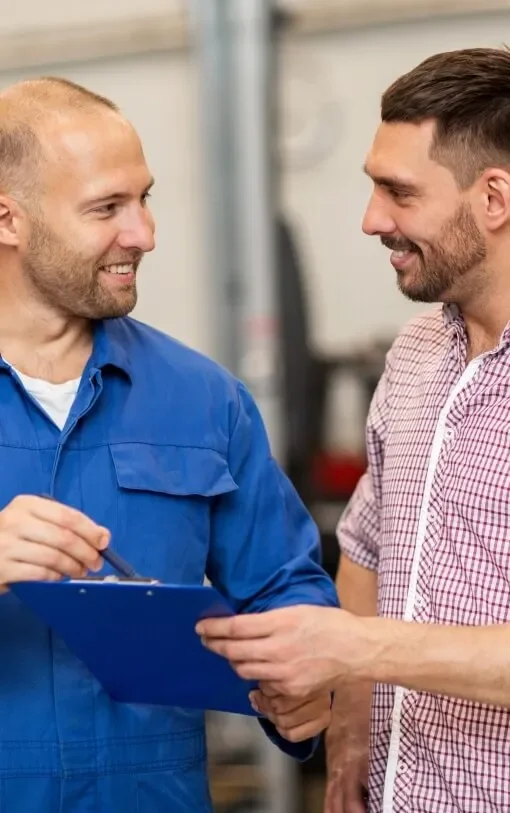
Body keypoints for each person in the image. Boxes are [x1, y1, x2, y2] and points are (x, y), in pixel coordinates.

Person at [0, 76, 338, 812]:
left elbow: (284, 584)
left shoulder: (202, 397)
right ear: (8, 219)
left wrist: (308, 682)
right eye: (107, 208)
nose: (144, 234)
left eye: (144, 198)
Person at [197, 47, 510, 813]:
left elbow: (361, 631)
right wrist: (355, 735)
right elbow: (368, 552)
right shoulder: (414, 353)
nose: (373, 219)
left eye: (397, 192)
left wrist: (355, 648)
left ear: (494, 197)